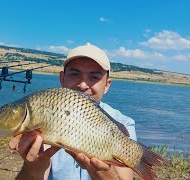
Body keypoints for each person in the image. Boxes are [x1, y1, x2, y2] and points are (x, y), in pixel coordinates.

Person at [8, 43, 137, 180]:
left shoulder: (123, 123)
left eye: (94, 77)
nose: (82, 85)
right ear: (62, 79)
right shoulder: (43, 116)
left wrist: (103, 173)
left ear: (106, 85)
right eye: (75, 74)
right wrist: (32, 168)